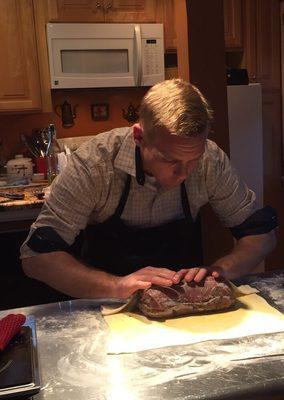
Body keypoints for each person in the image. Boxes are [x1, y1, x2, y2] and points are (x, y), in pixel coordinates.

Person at [21, 79, 277, 300]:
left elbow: (262, 236)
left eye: (193, 160)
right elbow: (36, 258)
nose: (184, 173)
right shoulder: (94, 165)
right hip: (106, 304)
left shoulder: (210, 160)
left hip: (181, 302)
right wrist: (117, 286)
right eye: (170, 160)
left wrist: (221, 271)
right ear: (139, 137)